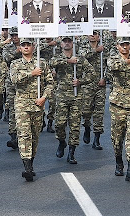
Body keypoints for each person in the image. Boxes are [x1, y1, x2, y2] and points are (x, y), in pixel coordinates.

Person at [10, 38, 54, 182]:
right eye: (24, 45)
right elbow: (14, 79)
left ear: (33, 47)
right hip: (22, 103)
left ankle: (31, 163)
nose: (26, 47)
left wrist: (44, 98)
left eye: (29, 45)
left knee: (35, 135)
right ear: (20, 48)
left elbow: (50, 83)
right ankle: (27, 167)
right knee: (24, 134)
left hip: (37, 104)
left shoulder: (42, 63)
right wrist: (32, 74)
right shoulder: (15, 64)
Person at [50, 36, 94, 165]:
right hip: (62, 95)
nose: (67, 43)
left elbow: (92, 73)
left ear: (73, 43)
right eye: (65, 41)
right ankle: (61, 141)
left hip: (76, 96)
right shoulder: (57, 57)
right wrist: (68, 61)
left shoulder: (80, 59)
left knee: (75, 126)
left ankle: (71, 152)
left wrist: (81, 81)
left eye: (69, 41)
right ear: (61, 44)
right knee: (59, 124)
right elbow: (51, 63)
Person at [108, 38, 130, 183]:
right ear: (117, 46)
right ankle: (118, 161)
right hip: (117, 105)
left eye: (127, 44)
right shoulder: (113, 58)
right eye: (122, 44)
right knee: (117, 138)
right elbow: (112, 66)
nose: (125, 47)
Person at [78, 31, 107, 150]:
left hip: (100, 84)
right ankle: (87, 127)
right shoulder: (83, 48)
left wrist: (105, 78)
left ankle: (97, 139)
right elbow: (81, 58)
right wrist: (95, 51)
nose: (92, 35)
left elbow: (108, 65)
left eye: (95, 33)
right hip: (87, 84)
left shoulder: (104, 49)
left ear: (98, 36)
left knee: (99, 112)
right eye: (90, 33)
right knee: (86, 110)